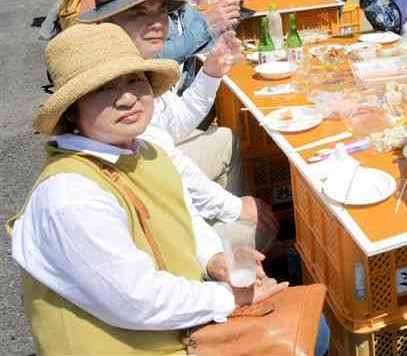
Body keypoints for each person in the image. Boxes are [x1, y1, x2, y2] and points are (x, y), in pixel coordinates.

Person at [8, 23, 305, 354]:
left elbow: (184, 221)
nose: (126, 98)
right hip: (141, 343)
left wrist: (215, 259)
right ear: (71, 111)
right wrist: (228, 296)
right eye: (102, 88)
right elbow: (135, 299)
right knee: (302, 331)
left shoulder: (145, 151)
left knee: (304, 322)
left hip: (171, 323)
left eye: (135, 80)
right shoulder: (70, 195)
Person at [78, 0, 248, 197]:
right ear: (108, 22)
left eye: (160, 10)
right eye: (138, 13)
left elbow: (174, 124)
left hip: (153, 176)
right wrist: (238, 210)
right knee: (254, 224)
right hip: (140, 194)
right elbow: (165, 170)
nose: (157, 22)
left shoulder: (139, 62)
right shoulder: (114, 79)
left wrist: (210, 72)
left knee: (227, 139)